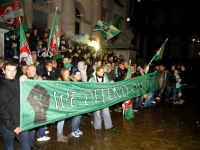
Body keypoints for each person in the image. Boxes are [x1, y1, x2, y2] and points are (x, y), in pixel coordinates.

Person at [0, 62, 30, 150]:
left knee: (25, 145)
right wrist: (13, 126)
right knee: (9, 145)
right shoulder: (1, 87)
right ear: (3, 71)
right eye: (9, 70)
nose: (12, 73)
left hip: (21, 120)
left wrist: (25, 79)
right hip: (8, 124)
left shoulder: (18, 81)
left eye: (14, 70)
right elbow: (2, 110)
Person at [88, 67, 114, 131]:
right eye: (102, 71)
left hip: (104, 97)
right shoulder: (92, 79)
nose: (103, 72)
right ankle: (97, 127)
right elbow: (88, 87)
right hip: (96, 98)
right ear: (97, 72)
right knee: (97, 113)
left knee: (106, 112)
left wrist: (111, 82)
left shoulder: (105, 77)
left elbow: (108, 83)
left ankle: (109, 125)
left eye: (103, 71)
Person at [56, 68, 69, 142]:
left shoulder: (67, 80)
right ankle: (59, 136)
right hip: (60, 101)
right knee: (61, 119)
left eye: (68, 73)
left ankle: (61, 134)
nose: (68, 75)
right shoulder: (59, 80)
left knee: (62, 119)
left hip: (65, 101)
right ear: (63, 74)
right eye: (66, 74)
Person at [70, 70, 83, 137]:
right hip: (75, 101)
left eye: (79, 74)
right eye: (77, 74)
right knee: (76, 116)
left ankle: (77, 129)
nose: (79, 76)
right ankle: (73, 131)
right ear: (74, 75)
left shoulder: (81, 82)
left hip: (80, 101)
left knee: (79, 116)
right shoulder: (72, 82)